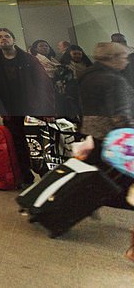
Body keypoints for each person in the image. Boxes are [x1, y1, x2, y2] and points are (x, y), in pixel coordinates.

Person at [77, 42, 134, 263]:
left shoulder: (87, 74)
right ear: (112, 59)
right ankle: (95, 200)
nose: (126, 61)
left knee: (96, 170)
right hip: (113, 136)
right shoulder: (114, 80)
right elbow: (120, 114)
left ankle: (86, 200)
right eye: (123, 57)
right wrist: (129, 131)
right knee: (117, 175)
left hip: (92, 129)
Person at [0, 27, 56, 187]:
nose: (3, 39)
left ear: (14, 39)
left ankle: (46, 177)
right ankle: (26, 178)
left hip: (31, 108)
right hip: (9, 110)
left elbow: (44, 84)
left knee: (38, 144)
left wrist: (48, 109)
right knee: (17, 145)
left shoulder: (28, 59)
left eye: (6, 36)